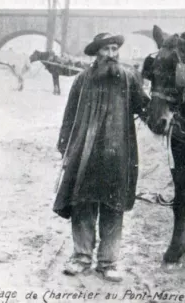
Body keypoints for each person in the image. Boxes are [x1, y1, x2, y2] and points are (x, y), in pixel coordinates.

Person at [53, 32, 149, 283]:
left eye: (115, 48)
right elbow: (69, 116)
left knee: (113, 206)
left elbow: (147, 109)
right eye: (106, 49)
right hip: (85, 153)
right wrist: (65, 147)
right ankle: (81, 257)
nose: (112, 54)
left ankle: (108, 262)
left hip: (118, 155)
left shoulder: (130, 79)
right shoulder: (83, 81)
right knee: (82, 204)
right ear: (97, 52)